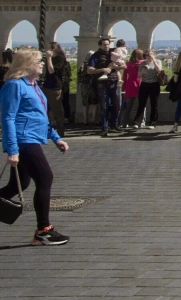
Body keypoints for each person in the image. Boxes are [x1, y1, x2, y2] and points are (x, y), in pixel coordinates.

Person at [0, 48, 71, 245]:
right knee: (45, 177)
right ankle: (43, 230)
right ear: (26, 64)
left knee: (18, 185)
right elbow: (8, 118)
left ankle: (43, 230)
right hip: (23, 140)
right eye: (38, 60)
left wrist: (56, 138)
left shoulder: (34, 86)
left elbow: (40, 116)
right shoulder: (14, 85)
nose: (42, 63)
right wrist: (13, 150)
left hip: (32, 137)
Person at [87, 38, 120, 137]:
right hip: (102, 83)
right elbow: (89, 70)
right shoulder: (95, 56)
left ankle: (114, 124)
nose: (106, 46)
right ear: (100, 45)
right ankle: (104, 127)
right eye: (104, 44)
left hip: (113, 82)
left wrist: (116, 66)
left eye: (108, 44)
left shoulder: (113, 54)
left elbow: (124, 66)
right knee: (104, 106)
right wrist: (102, 69)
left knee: (116, 105)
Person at [41, 43, 70, 137]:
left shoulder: (60, 58)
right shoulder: (49, 58)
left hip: (55, 86)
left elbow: (51, 70)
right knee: (45, 109)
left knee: (57, 110)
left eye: (49, 48)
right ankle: (47, 130)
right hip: (47, 85)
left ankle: (60, 131)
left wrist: (49, 58)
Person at [117, 49, 144, 131]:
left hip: (130, 84)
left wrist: (124, 87)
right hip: (140, 84)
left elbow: (124, 76)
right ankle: (141, 122)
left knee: (128, 106)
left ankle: (123, 122)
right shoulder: (143, 63)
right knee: (142, 105)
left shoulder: (128, 64)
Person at [135, 51, 162, 128]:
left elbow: (159, 70)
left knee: (154, 104)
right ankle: (137, 122)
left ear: (153, 55)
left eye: (150, 55)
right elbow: (138, 76)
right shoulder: (143, 63)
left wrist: (153, 61)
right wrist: (143, 71)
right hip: (144, 84)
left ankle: (152, 123)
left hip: (154, 84)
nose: (148, 57)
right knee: (141, 104)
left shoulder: (157, 61)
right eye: (147, 55)